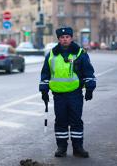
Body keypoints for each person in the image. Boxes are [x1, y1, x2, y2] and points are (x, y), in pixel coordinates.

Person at [39, 27, 96, 158]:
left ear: (71, 38)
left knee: (76, 120)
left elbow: (88, 71)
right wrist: (43, 90)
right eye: (62, 38)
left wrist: (90, 88)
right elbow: (45, 74)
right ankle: (61, 148)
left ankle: (78, 148)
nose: (65, 39)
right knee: (61, 121)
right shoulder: (52, 54)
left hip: (75, 93)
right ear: (58, 39)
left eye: (67, 37)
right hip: (58, 95)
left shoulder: (80, 53)